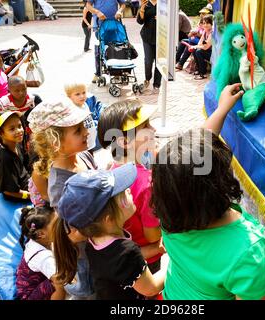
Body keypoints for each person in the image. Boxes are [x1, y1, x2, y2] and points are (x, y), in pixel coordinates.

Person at [150, 83, 265, 300]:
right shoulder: (246, 252)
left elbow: (195, 164)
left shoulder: (171, 212)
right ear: (220, 181)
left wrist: (221, 109)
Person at [55, 163, 167, 300]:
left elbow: (127, 260)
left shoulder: (94, 240)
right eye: (122, 193)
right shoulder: (125, 251)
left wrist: (156, 248)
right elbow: (151, 288)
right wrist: (181, 265)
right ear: (108, 219)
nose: (128, 190)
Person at [27, 99, 98, 299]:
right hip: (88, 257)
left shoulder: (83, 155)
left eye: (83, 126)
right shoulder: (60, 185)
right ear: (54, 141)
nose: (86, 132)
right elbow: (72, 233)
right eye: (77, 130)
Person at [97, 100, 165, 274]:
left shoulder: (112, 169)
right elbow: (153, 236)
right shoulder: (146, 182)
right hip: (146, 259)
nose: (154, 129)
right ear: (125, 142)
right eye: (146, 126)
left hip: (125, 253)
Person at [16, 206, 65, 300]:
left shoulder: (37, 240)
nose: (61, 225)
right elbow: (59, 285)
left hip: (30, 284)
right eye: (56, 224)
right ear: (41, 234)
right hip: (30, 296)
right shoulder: (44, 258)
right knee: (60, 281)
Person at [0, 111, 30, 202]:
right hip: (19, 195)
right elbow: (8, 191)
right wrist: (30, 195)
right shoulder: (4, 159)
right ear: (1, 133)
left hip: (28, 183)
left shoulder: (17, 145)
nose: (19, 131)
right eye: (12, 129)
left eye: (20, 126)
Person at [85, 0, 126, 83]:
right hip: (99, 25)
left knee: (116, 47)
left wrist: (119, 11)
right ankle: (98, 73)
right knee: (101, 47)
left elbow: (123, 4)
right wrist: (97, 12)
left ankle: (117, 72)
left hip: (114, 24)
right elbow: (88, 6)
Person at [64, 81, 103, 150]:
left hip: (91, 140)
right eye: (77, 94)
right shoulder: (73, 110)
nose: (82, 96)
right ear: (69, 97)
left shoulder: (84, 104)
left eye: (84, 92)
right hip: (82, 145)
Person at [137, 0, 160, 93]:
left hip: (160, 37)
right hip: (147, 36)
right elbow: (140, 21)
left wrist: (162, 18)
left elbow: (171, 17)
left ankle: (157, 84)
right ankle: (147, 78)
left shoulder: (163, 4)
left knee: (159, 61)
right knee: (148, 60)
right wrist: (141, 10)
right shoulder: (145, 4)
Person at [191, 14, 213, 80]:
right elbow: (200, 43)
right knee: (195, 50)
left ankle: (202, 73)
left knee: (199, 52)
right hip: (209, 51)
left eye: (208, 23)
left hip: (215, 54)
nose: (205, 25)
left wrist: (197, 46)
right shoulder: (205, 31)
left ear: (211, 24)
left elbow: (206, 47)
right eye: (204, 23)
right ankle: (199, 69)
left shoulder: (213, 33)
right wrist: (196, 46)